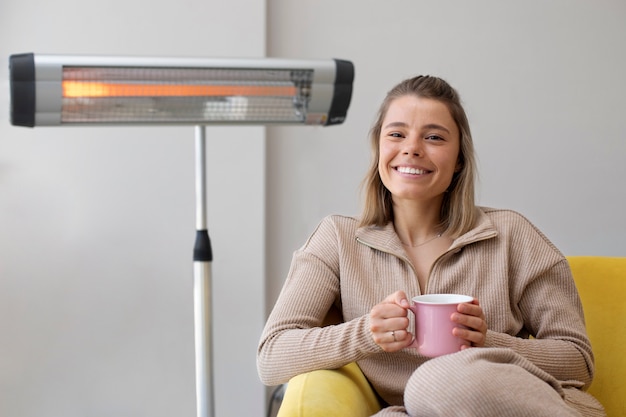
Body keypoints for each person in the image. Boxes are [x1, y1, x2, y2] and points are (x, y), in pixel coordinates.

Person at [257, 75, 605, 416]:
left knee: (431, 383)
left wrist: (487, 343)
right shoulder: (337, 239)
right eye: (396, 134)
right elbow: (272, 356)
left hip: (527, 407)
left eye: (434, 137)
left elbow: (577, 362)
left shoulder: (511, 235)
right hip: (412, 409)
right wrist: (366, 333)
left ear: (458, 161)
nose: (411, 148)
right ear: (379, 147)